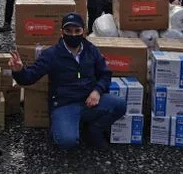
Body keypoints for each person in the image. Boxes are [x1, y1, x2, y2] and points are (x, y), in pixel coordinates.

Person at [10, 12, 126, 150]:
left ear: (84, 31)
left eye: (77, 31)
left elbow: (105, 74)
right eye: (68, 31)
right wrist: (19, 70)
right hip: (64, 104)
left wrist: (97, 91)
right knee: (67, 142)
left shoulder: (91, 50)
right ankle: (60, 127)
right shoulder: (51, 54)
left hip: (89, 101)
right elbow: (29, 77)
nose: (73, 35)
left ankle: (94, 129)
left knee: (120, 104)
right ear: (61, 32)